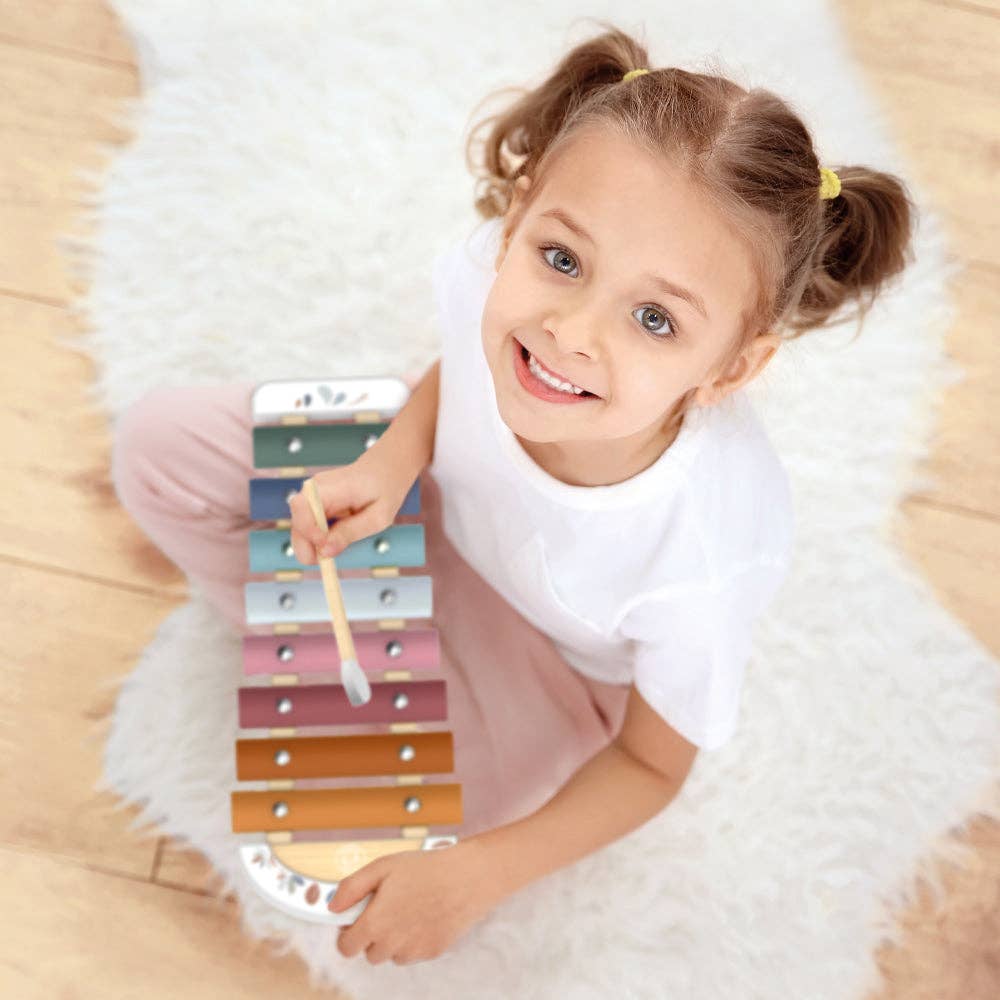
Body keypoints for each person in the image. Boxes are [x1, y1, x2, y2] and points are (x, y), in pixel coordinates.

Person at [111, 22, 915, 966]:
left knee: (427, 824)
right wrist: (390, 462)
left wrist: (482, 871)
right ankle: (333, 639)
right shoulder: (491, 274)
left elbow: (653, 765)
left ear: (731, 369)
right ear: (522, 215)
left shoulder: (703, 549)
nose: (569, 333)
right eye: (562, 259)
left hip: (551, 668)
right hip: (433, 504)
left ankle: (336, 645)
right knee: (155, 449)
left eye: (655, 319)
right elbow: (459, 362)